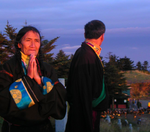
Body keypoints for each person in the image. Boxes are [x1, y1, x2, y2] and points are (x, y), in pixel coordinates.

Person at [0, 26, 66, 132]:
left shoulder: (47, 69)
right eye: (28, 40)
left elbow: (59, 100)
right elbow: (3, 102)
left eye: (36, 41)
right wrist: (28, 79)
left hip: (43, 127)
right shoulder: (8, 68)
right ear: (19, 44)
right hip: (15, 128)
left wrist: (39, 81)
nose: (33, 45)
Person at [65, 20, 109, 132]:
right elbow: (83, 91)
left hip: (85, 109)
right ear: (102, 36)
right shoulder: (86, 55)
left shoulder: (84, 52)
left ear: (85, 34)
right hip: (86, 112)